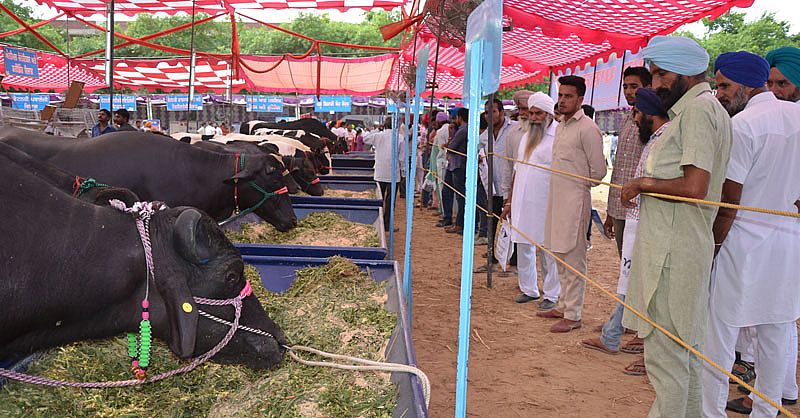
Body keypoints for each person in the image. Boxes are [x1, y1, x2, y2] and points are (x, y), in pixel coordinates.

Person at [619, 36, 732, 418]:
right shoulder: (701, 109)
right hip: (679, 248)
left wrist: (641, 184)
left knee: (668, 363)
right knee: (684, 358)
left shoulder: (699, 111)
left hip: (673, 253)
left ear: (684, 73)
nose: (653, 85)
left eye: (659, 74)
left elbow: (694, 187)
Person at [701, 51, 800, 418]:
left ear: (745, 85)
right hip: (789, 240)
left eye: (724, 86)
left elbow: (730, 200)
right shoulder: (796, 116)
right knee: (775, 332)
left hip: (743, 241)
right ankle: (766, 411)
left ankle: (709, 411)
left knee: (720, 333)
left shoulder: (742, 125)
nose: (720, 94)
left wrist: (712, 246)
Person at [581, 88, 669, 366]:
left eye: (638, 112)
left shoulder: (666, 139)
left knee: (645, 286)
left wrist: (640, 187)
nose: (634, 116)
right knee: (629, 282)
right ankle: (614, 332)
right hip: (636, 219)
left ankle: (632, 342)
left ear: (649, 114)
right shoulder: (655, 137)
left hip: (650, 224)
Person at [536, 75, 606, 333]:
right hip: (556, 200)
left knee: (573, 257)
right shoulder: (562, 125)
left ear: (580, 99)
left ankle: (574, 314)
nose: (562, 100)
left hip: (575, 203)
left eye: (568, 96)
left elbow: (598, 172)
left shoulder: (588, 129)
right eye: (561, 95)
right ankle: (563, 305)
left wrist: (577, 187)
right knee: (558, 252)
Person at [501, 92, 560, 309]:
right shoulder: (526, 136)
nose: (533, 117)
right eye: (531, 113)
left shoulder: (558, 137)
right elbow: (518, 169)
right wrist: (509, 201)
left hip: (546, 202)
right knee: (523, 244)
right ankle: (529, 289)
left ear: (549, 115)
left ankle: (552, 294)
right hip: (522, 201)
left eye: (538, 113)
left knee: (547, 249)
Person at [604, 66, 652, 256]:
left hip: (641, 210)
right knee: (624, 265)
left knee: (638, 266)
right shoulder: (625, 120)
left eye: (634, 86)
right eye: (625, 87)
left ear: (649, 87)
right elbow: (618, 170)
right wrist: (610, 213)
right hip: (619, 207)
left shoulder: (655, 121)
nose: (629, 92)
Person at [475, 98, 516, 267]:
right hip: (492, 186)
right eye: (486, 112)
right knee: (492, 220)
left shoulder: (514, 129)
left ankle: (514, 260)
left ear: (501, 112)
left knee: (514, 222)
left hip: (511, 185)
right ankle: (492, 256)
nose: (489, 115)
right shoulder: (483, 137)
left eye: (492, 111)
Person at [363, 117, 404, 233]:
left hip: (380, 172)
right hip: (393, 174)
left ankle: (376, 222)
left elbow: (365, 138)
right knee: (390, 202)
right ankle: (386, 224)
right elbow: (402, 158)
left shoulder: (378, 135)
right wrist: (404, 172)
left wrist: (376, 130)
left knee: (378, 200)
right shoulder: (400, 138)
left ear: (384, 125)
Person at [441, 108, 469, 234]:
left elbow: (452, 147)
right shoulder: (462, 130)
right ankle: (451, 220)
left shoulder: (463, 130)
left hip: (458, 165)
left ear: (460, 117)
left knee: (460, 196)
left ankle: (459, 224)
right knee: (449, 192)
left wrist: (447, 145)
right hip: (454, 165)